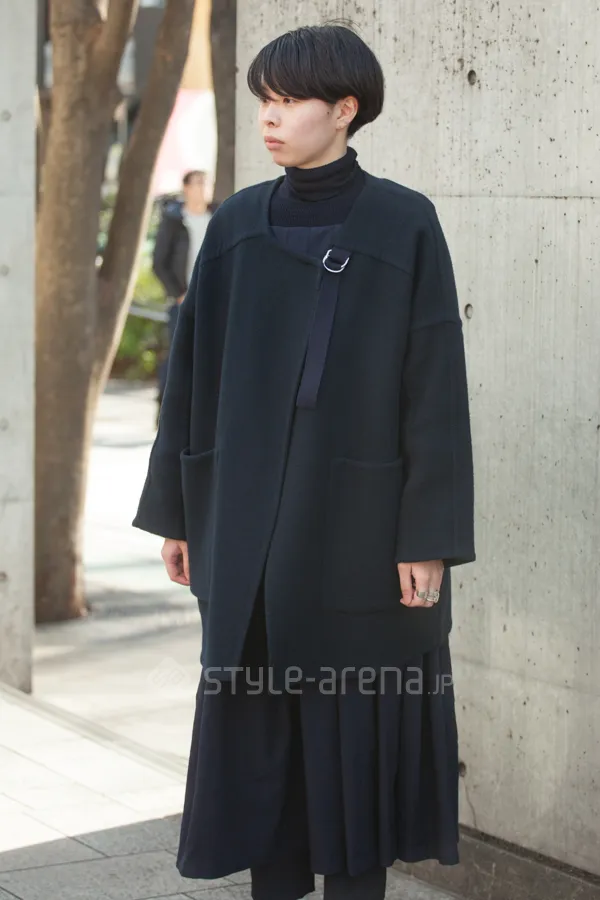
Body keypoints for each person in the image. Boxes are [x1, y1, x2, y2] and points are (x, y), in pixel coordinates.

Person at [133, 22, 475, 900]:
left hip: (363, 537)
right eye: (264, 101)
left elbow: (435, 388)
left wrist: (428, 537)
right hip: (243, 532)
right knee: (262, 755)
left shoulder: (404, 223)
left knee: (356, 744)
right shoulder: (236, 225)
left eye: (288, 102)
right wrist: (177, 512)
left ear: (346, 109)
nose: (269, 118)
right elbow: (189, 378)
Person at [152, 170, 213, 420]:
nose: (203, 188)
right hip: (183, 301)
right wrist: (178, 293)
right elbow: (159, 263)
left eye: (205, 183)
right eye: (198, 184)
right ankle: (166, 413)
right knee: (178, 356)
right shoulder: (174, 221)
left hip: (214, 301)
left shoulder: (218, 217)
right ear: (186, 188)